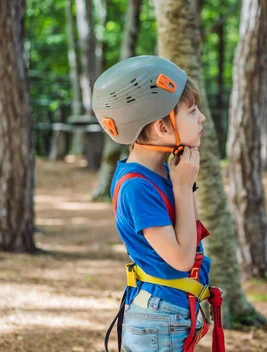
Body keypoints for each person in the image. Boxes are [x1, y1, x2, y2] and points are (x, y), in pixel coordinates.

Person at [92, 56, 224, 352]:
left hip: (170, 312)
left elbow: (192, 231)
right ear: (162, 127)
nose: (201, 117)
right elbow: (181, 258)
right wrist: (181, 185)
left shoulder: (162, 169)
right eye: (191, 111)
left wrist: (185, 183)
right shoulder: (137, 187)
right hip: (158, 319)